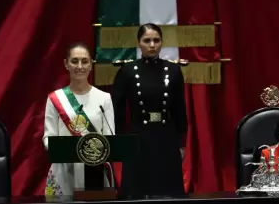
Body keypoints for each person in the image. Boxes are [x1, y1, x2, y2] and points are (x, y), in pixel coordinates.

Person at [112, 23, 188, 196]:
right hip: (138, 135)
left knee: (168, 189)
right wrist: (120, 140)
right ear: (139, 43)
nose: (152, 45)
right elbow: (118, 108)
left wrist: (181, 143)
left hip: (166, 134)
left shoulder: (173, 70)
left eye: (156, 40)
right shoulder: (128, 70)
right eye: (147, 40)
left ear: (162, 42)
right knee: (136, 190)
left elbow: (179, 109)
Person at [42, 42, 115, 196]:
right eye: (74, 61)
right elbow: (49, 138)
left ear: (91, 65)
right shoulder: (56, 99)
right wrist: (64, 150)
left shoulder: (104, 98)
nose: (79, 66)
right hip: (63, 168)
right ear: (66, 64)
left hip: (94, 170)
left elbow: (110, 138)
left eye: (85, 61)